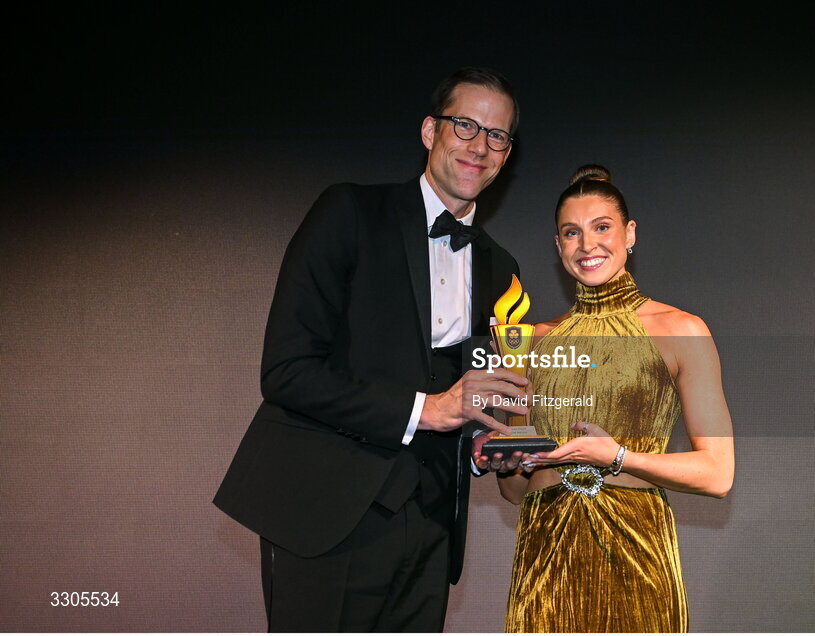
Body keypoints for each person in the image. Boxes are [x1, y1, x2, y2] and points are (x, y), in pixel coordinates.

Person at [214, 67, 529, 632]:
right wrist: (427, 409)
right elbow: (287, 371)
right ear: (431, 131)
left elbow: (480, 394)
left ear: (506, 156)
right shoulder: (349, 214)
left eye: (497, 136)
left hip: (433, 526)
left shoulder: (502, 270)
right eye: (465, 125)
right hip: (326, 512)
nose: (479, 146)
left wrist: (502, 438)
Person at [475, 165, 735, 632]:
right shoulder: (532, 341)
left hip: (636, 556)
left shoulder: (680, 329)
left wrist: (616, 456)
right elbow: (514, 492)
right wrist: (510, 451)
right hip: (545, 563)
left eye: (602, 227)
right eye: (571, 233)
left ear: (629, 233)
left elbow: (718, 473)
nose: (587, 245)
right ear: (558, 247)